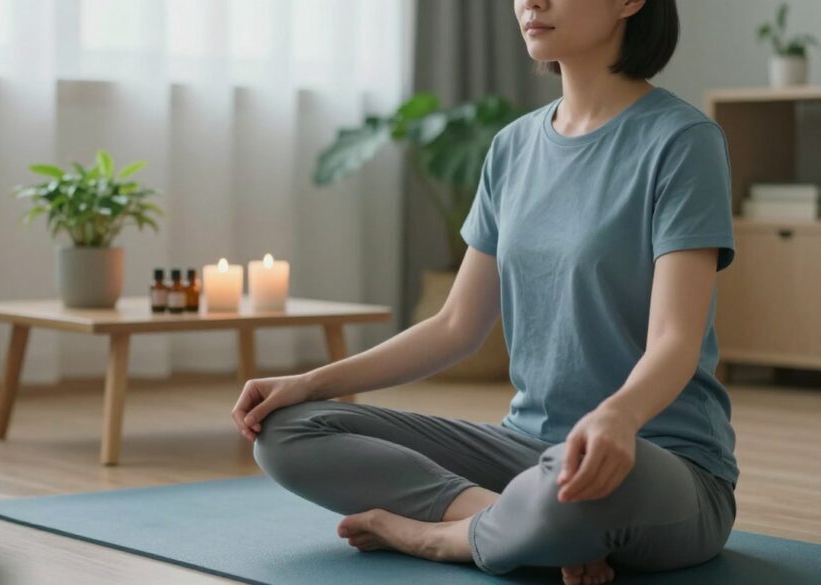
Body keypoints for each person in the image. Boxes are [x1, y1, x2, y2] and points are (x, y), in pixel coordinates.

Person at [231, 1, 738, 583]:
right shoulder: (513, 147)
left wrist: (617, 418)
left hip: (659, 463)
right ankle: (512, 523)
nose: (531, 1)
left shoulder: (683, 141)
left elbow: (674, 339)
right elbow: (455, 326)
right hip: (524, 455)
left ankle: (437, 536)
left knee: (580, 489)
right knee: (285, 431)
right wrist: (309, 383)